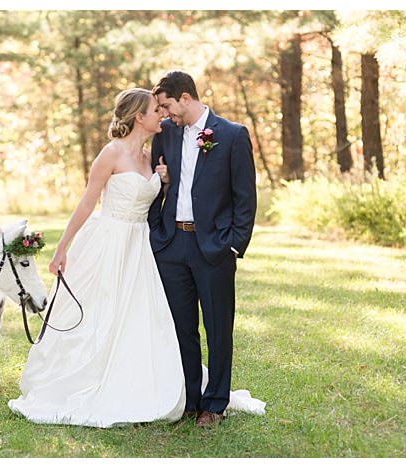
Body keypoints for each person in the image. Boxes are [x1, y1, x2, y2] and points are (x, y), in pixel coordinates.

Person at [8, 88, 186, 427]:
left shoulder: (151, 158)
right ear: (139, 117)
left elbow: (150, 203)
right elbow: (87, 202)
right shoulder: (112, 153)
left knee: (137, 316)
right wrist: (61, 248)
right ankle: (82, 377)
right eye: (155, 109)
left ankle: (138, 379)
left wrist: (161, 183)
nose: (161, 114)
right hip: (107, 242)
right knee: (100, 314)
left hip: (138, 247)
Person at [148, 70, 257, 428]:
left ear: (185, 98)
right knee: (182, 328)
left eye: (167, 106)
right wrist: (156, 232)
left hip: (214, 248)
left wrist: (233, 246)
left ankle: (215, 403)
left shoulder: (232, 135)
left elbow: (245, 199)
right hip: (172, 245)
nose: (164, 114)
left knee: (217, 326)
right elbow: (154, 184)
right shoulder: (166, 134)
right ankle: (190, 399)